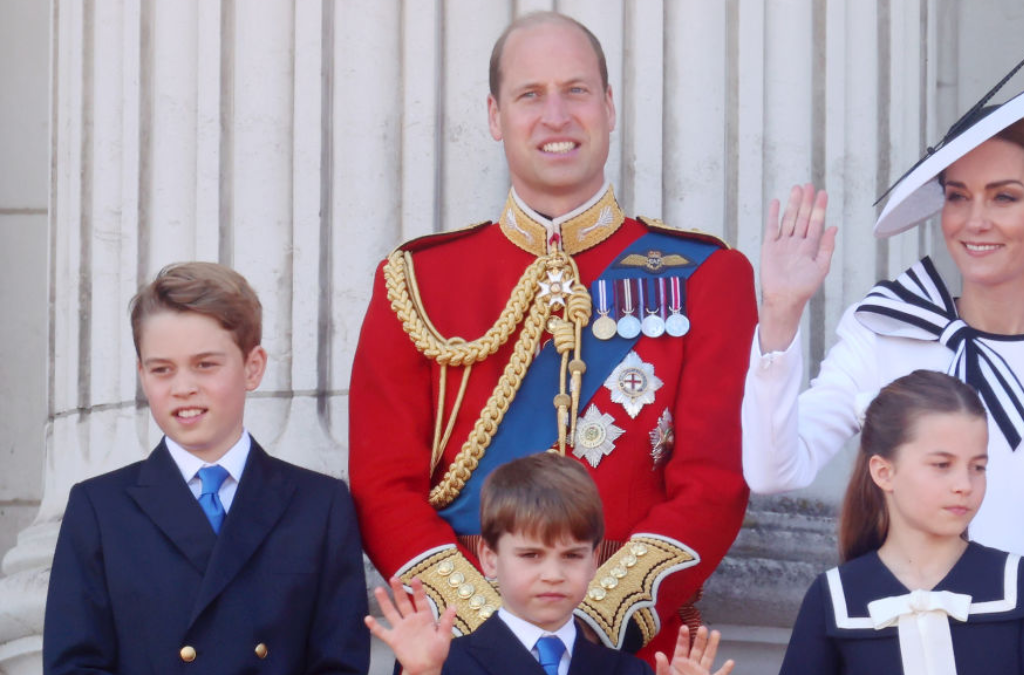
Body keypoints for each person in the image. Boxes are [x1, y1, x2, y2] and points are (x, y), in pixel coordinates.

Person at [349, 11, 756, 660]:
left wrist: (586, 621)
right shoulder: (417, 281)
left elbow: (713, 484)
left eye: (577, 90)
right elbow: (383, 484)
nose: (556, 115)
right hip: (461, 652)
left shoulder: (708, 276)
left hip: (630, 653)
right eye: (530, 94)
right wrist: (493, 633)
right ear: (494, 116)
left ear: (610, 105)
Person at [742, 62, 1024, 675]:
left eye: (1004, 197)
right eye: (958, 197)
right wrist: (779, 315)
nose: (973, 221)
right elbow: (773, 469)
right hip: (884, 648)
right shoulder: (882, 329)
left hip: (1023, 653)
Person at [43, 262, 370, 675]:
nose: (182, 387)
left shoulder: (319, 505)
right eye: (162, 369)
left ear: (253, 367)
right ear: (142, 374)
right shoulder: (98, 508)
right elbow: (75, 664)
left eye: (205, 365)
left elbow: (339, 664)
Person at [780, 370, 1024, 675]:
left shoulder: (1020, 585)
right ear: (883, 472)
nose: (964, 484)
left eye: (978, 466)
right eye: (942, 465)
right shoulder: (836, 596)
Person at [365, 453, 736, 675]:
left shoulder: (628, 670)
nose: (553, 575)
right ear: (490, 559)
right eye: (531, 556)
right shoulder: (445, 661)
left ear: (594, 562)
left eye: (572, 556)